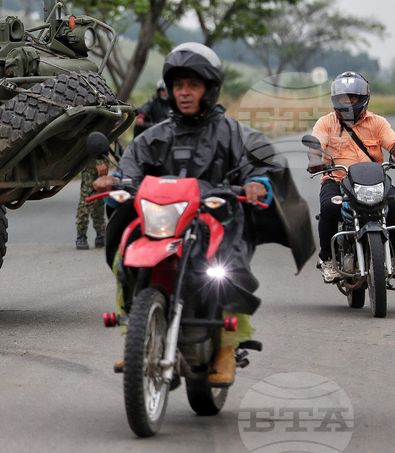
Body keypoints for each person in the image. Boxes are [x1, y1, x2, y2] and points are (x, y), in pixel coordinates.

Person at [93, 42, 275, 386]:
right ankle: (137, 336)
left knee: (228, 264)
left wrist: (256, 183)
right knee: (126, 253)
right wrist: (113, 182)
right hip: (162, 219)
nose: (184, 92)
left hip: (213, 219)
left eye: (193, 85)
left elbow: (254, 167)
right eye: (179, 86)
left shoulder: (231, 132)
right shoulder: (153, 136)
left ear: (209, 89)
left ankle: (226, 349)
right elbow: (128, 170)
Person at [307, 72, 395, 283]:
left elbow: (394, 145)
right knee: (329, 209)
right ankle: (327, 261)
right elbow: (315, 146)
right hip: (337, 179)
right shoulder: (325, 123)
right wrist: (314, 160)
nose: (347, 102)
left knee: (394, 207)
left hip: (374, 181)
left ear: (363, 98)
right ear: (334, 100)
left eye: (352, 97)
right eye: (342, 98)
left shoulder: (377, 122)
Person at [75, 159, 109, 250]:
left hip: (102, 156)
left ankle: (100, 233)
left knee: (100, 197)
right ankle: (81, 235)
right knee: (87, 198)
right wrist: (98, 160)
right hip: (92, 158)